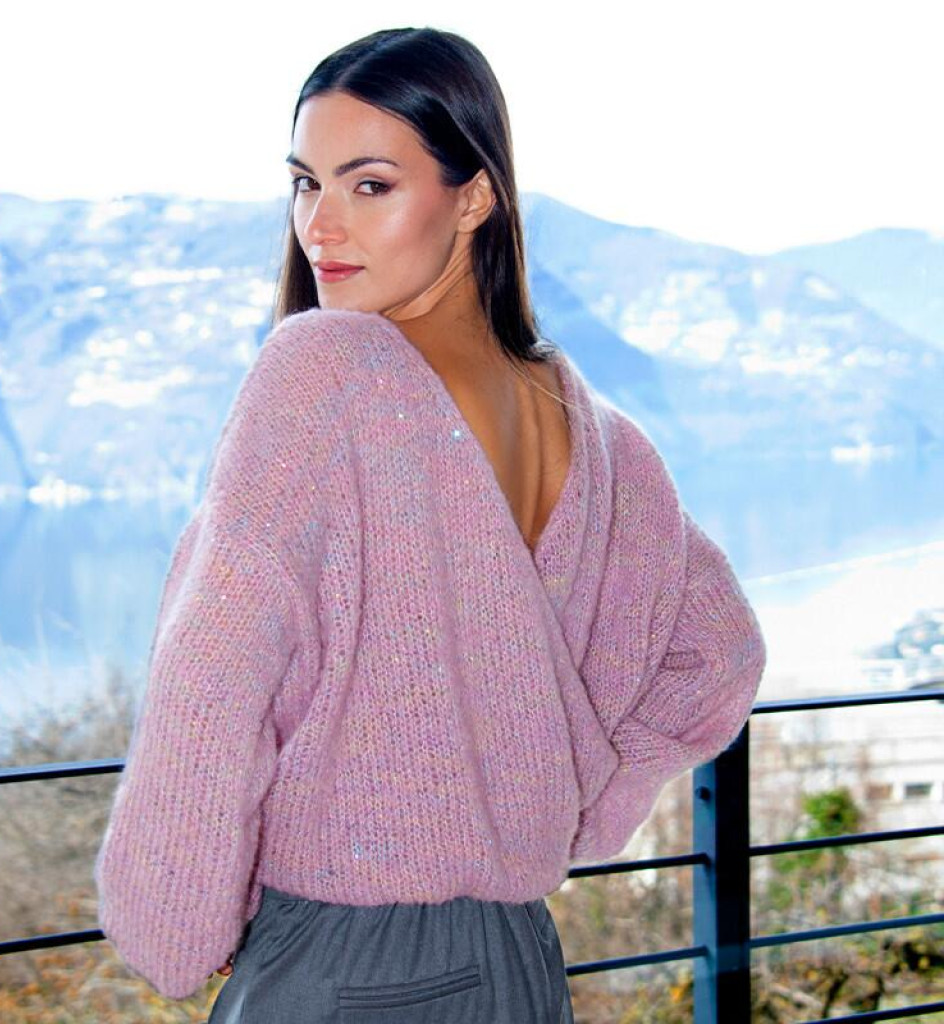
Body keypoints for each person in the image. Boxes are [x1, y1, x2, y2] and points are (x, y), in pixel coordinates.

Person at [93, 26, 767, 1023]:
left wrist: (173, 924)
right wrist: (573, 806)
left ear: (475, 195)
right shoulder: (595, 431)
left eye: (369, 185)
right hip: (517, 961)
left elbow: (215, 672)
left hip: (341, 964)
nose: (320, 224)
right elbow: (719, 651)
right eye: (304, 183)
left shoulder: (323, 372)